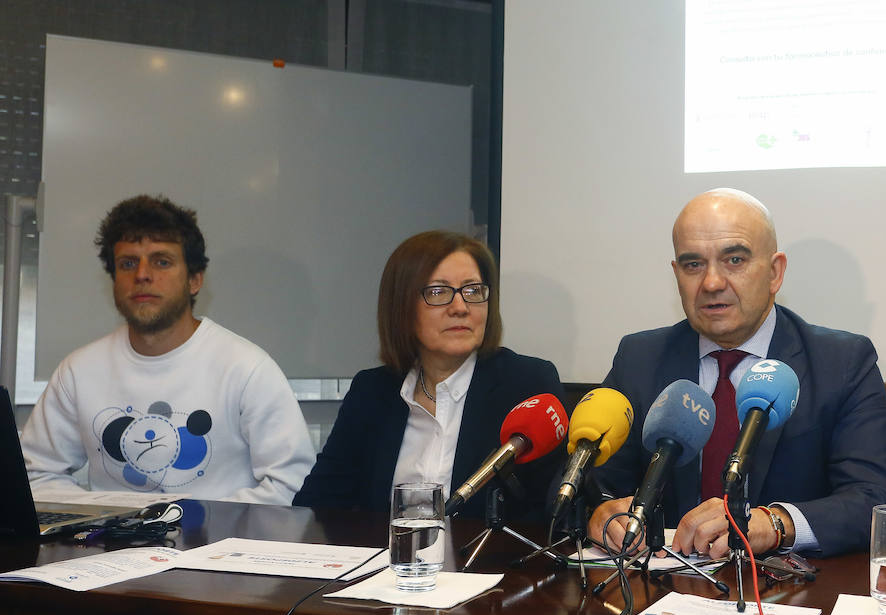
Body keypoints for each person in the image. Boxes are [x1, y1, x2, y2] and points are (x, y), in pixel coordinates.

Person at [588, 189, 886, 558]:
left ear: (774, 272)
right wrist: (601, 511)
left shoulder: (841, 362)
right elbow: (586, 484)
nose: (711, 283)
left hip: (785, 595)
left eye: (734, 260)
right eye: (693, 265)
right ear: (676, 274)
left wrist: (775, 523)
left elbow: (876, 500)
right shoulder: (640, 358)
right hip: (660, 589)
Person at [22, 195, 314, 505]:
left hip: (217, 547)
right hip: (111, 546)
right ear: (114, 281)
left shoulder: (246, 368)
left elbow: (292, 483)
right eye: (128, 263)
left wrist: (195, 526)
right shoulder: (78, 371)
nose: (142, 275)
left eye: (162, 261)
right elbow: (38, 474)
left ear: (194, 280)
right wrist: (109, 520)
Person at [294, 231, 565, 518]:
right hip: (388, 560)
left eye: (473, 291)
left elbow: (550, 515)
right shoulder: (372, 391)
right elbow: (315, 507)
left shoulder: (526, 385)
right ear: (402, 306)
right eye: (438, 292)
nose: (460, 307)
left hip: (484, 561)